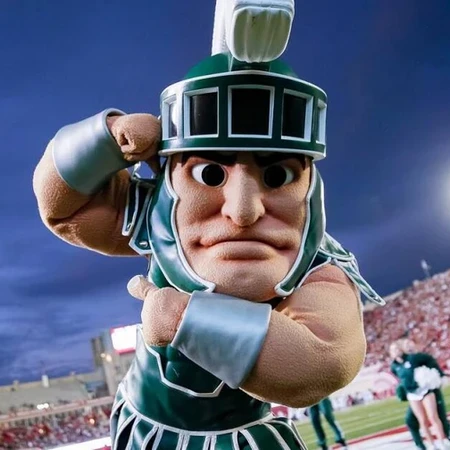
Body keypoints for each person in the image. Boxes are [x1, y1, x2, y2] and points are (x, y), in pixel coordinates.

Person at [33, 0, 383, 448]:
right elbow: (64, 208)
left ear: (310, 186)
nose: (243, 211)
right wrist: (105, 140)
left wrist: (186, 318)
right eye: (211, 174)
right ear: (172, 179)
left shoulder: (316, 261)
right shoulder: (160, 215)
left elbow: (324, 360)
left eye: (277, 176)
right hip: (142, 427)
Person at [390, 340, 450, 450]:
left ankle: (443, 442)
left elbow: (429, 359)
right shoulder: (394, 366)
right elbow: (401, 378)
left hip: (425, 390)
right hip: (412, 394)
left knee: (433, 417)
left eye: (398, 349)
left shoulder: (412, 358)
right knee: (422, 420)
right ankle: (431, 445)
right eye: (394, 350)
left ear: (401, 350)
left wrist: (437, 374)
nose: (396, 351)